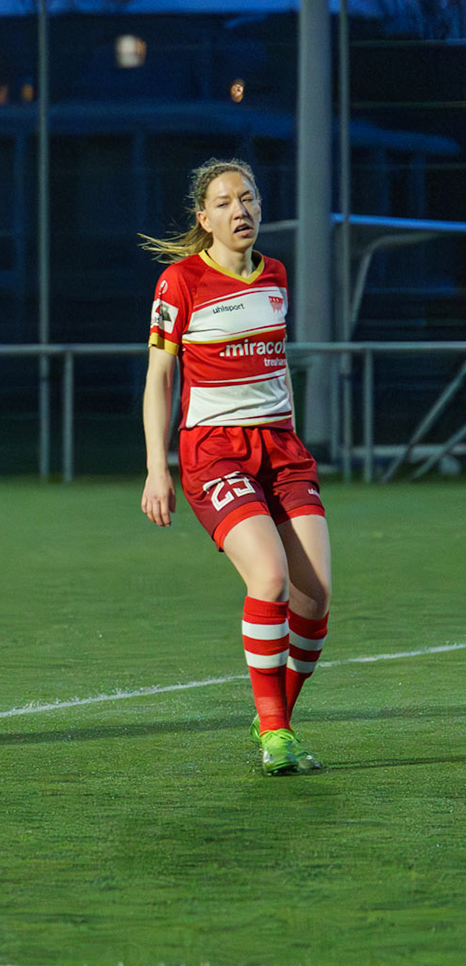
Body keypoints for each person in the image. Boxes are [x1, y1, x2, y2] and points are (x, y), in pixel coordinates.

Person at [140, 159, 332, 776]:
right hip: (214, 451)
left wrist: (291, 442)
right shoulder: (180, 283)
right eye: (223, 203)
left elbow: (274, 369)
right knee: (269, 579)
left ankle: (276, 718)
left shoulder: (276, 275)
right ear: (204, 218)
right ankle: (275, 735)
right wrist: (156, 467)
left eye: (246, 198)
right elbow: (159, 378)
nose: (239, 211)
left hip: (281, 449)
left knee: (315, 600)